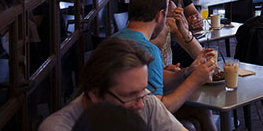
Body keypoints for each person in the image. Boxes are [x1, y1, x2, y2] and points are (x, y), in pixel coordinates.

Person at [38, 37, 185, 131]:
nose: (141, 104)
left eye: (143, 90)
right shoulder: (59, 127)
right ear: (95, 93)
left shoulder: (143, 99)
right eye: (130, 95)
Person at [113, 0, 216, 116]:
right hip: (135, 119)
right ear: (159, 15)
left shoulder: (112, 40)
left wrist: (187, 71)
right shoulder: (149, 51)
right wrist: (195, 80)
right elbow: (159, 112)